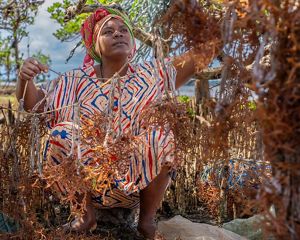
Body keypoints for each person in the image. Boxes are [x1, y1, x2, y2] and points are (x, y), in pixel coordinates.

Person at [16, 6, 211, 239]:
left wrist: (228, 22)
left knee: (162, 136)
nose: (118, 34)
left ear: (132, 42)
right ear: (95, 47)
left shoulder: (152, 74)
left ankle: (146, 221)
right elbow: (33, 105)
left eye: (123, 30)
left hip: (138, 184)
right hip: (89, 185)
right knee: (60, 134)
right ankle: (84, 216)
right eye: (107, 32)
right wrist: (24, 78)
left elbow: (200, 55)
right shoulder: (73, 80)